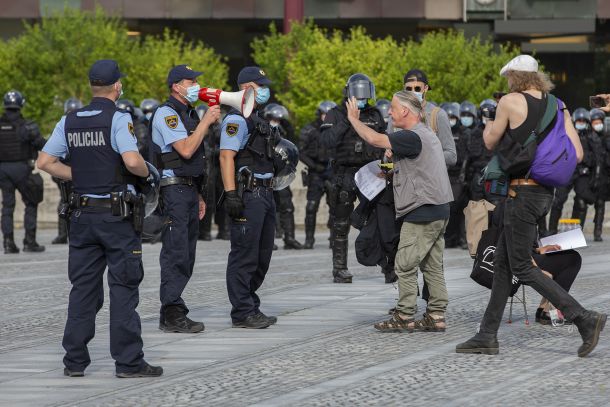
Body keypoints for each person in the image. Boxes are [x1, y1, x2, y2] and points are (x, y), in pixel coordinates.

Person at [456, 54, 606, 358]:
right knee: (502, 263)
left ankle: (583, 318)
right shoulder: (558, 104)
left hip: (520, 194)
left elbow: (488, 142)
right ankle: (487, 336)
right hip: (544, 194)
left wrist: (493, 122)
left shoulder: (509, 101)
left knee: (522, 266)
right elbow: (576, 154)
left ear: (514, 77)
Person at [36, 59, 162, 377]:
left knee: (83, 290)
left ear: (92, 86)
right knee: (123, 288)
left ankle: (74, 362)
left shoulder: (70, 119)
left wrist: (80, 176)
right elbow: (132, 161)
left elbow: (45, 161)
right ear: (117, 86)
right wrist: (149, 173)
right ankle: (129, 362)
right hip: (115, 217)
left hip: (81, 215)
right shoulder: (118, 118)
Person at [345, 90, 453, 332]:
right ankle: (436, 315)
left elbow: (374, 139)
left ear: (405, 111)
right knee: (432, 264)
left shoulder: (412, 136)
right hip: (438, 208)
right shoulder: (424, 135)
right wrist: (392, 167)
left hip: (422, 211)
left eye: (393, 108)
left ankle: (404, 316)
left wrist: (353, 119)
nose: (390, 112)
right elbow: (410, 169)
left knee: (404, 264)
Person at [150, 64, 221, 333]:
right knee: (176, 252)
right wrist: (205, 122)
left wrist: (199, 194)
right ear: (176, 86)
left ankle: (174, 308)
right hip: (173, 191)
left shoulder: (187, 113)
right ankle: (171, 313)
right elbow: (186, 150)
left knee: (187, 254)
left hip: (188, 189)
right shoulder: (167, 113)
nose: (195, 86)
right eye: (190, 82)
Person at [219, 66, 280, 328]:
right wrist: (232, 193)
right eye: (259, 85)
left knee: (262, 255)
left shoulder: (257, 118)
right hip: (249, 193)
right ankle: (242, 311)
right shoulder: (235, 120)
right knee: (245, 254)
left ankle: (250, 304)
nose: (264, 90)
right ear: (245, 88)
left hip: (265, 192)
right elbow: (226, 156)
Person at [320, 73, 386, 283]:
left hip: (372, 172)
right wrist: (349, 120)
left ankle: (388, 266)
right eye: (357, 93)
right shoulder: (335, 114)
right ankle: (339, 268)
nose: (361, 98)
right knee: (340, 223)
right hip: (345, 173)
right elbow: (326, 141)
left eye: (365, 93)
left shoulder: (375, 114)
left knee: (381, 219)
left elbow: (385, 141)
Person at [0, 90, 47, 254]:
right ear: (21, 104)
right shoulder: (27, 125)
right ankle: (30, 241)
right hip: (22, 168)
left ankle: (7, 242)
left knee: (7, 206)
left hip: (3, 170)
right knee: (31, 202)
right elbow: (42, 144)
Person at [263, 103, 303, 249]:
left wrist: (287, 127)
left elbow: (293, 146)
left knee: (287, 206)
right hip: (265, 173)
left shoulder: (284, 131)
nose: (276, 121)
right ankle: (267, 240)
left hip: (281, 174)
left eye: (279, 119)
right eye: (273, 118)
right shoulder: (261, 130)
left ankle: (290, 238)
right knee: (267, 208)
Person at [299, 100, 336, 249]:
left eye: (329, 114)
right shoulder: (310, 129)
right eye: (324, 114)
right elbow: (300, 151)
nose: (326, 117)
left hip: (333, 172)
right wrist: (314, 166)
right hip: (316, 173)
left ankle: (334, 238)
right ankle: (309, 240)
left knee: (335, 207)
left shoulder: (339, 129)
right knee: (311, 207)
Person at [403, 69, 456, 166]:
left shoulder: (437, 115)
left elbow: (451, 156)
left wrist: (425, 157)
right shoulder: (395, 115)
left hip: (430, 179)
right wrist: (388, 157)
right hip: (403, 180)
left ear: (425, 88)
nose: (413, 92)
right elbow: (387, 158)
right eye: (409, 89)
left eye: (417, 89)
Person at [50, 98, 83, 245]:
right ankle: (74, 234)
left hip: (63, 168)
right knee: (78, 201)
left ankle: (62, 234)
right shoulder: (83, 123)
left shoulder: (61, 123)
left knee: (64, 200)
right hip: (78, 167)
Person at [570, 108, 605, 240]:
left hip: (600, 176)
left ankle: (597, 232)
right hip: (584, 174)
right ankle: (575, 233)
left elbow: (599, 158)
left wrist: (597, 177)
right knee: (580, 202)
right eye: (594, 122)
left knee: (599, 203)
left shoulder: (602, 137)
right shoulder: (586, 136)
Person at [443, 102, 470, 249]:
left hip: (459, 175)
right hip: (445, 173)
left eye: (453, 116)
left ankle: (459, 238)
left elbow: (467, 154)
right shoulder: (442, 132)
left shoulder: (464, 132)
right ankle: (449, 238)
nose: (451, 119)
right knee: (448, 209)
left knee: (458, 208)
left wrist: (464, 173)